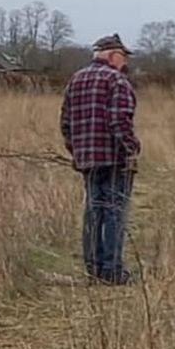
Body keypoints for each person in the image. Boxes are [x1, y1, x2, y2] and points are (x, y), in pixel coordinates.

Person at [59, 34, 141, 285]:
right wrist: (131, 149)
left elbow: (65, 123)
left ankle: (93, 268)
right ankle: (112, 271)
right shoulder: (117, 80)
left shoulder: (75, 80)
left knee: (93, 211)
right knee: (115, 212)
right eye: (123, 56)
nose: (125, 61)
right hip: (114, 159)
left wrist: (77, 152)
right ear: (113, 55)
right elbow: (119, 121)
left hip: (87, 160)